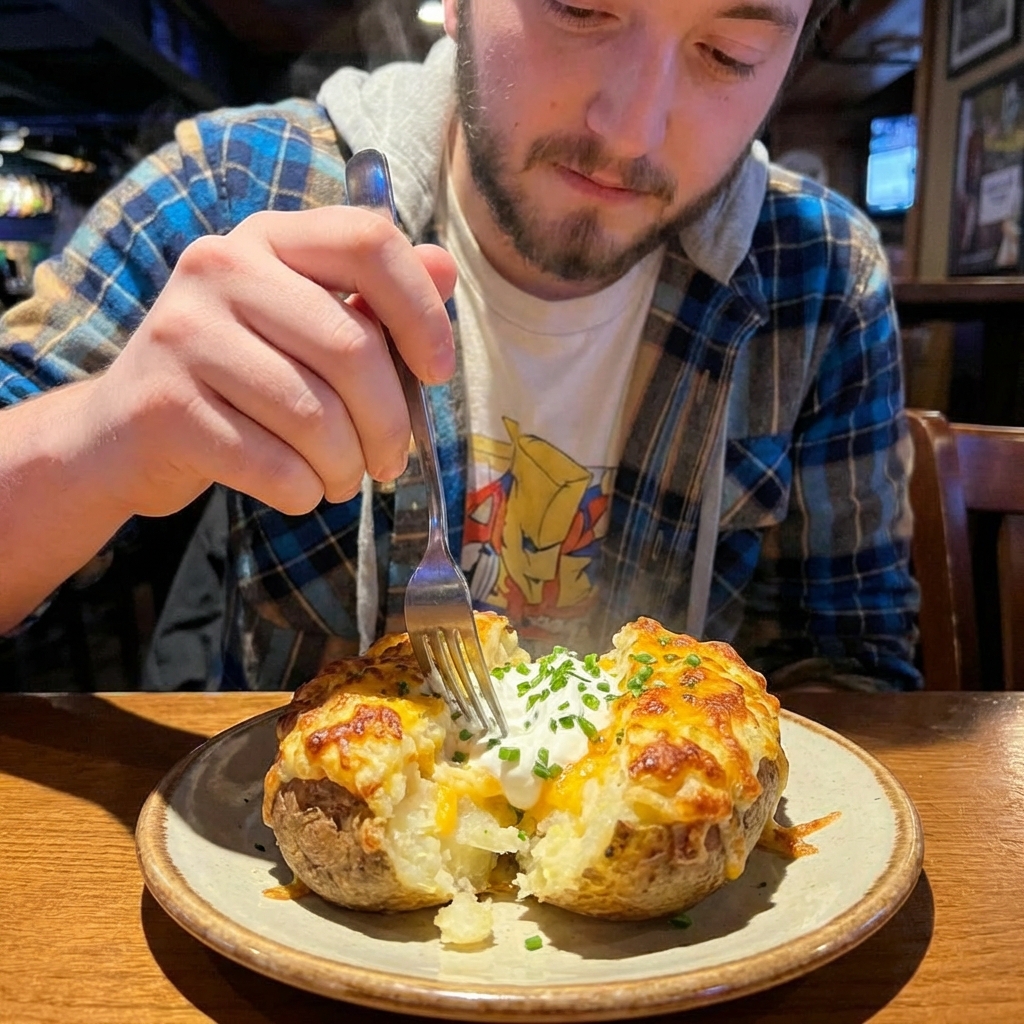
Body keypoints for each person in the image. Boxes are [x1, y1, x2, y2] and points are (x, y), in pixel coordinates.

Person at [0, 0, 920, 692]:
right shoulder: (238, 186)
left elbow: (858, 664)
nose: (630, 129)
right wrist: (101, 441)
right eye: (582, 7)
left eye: (729, 54)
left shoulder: (822, 276)